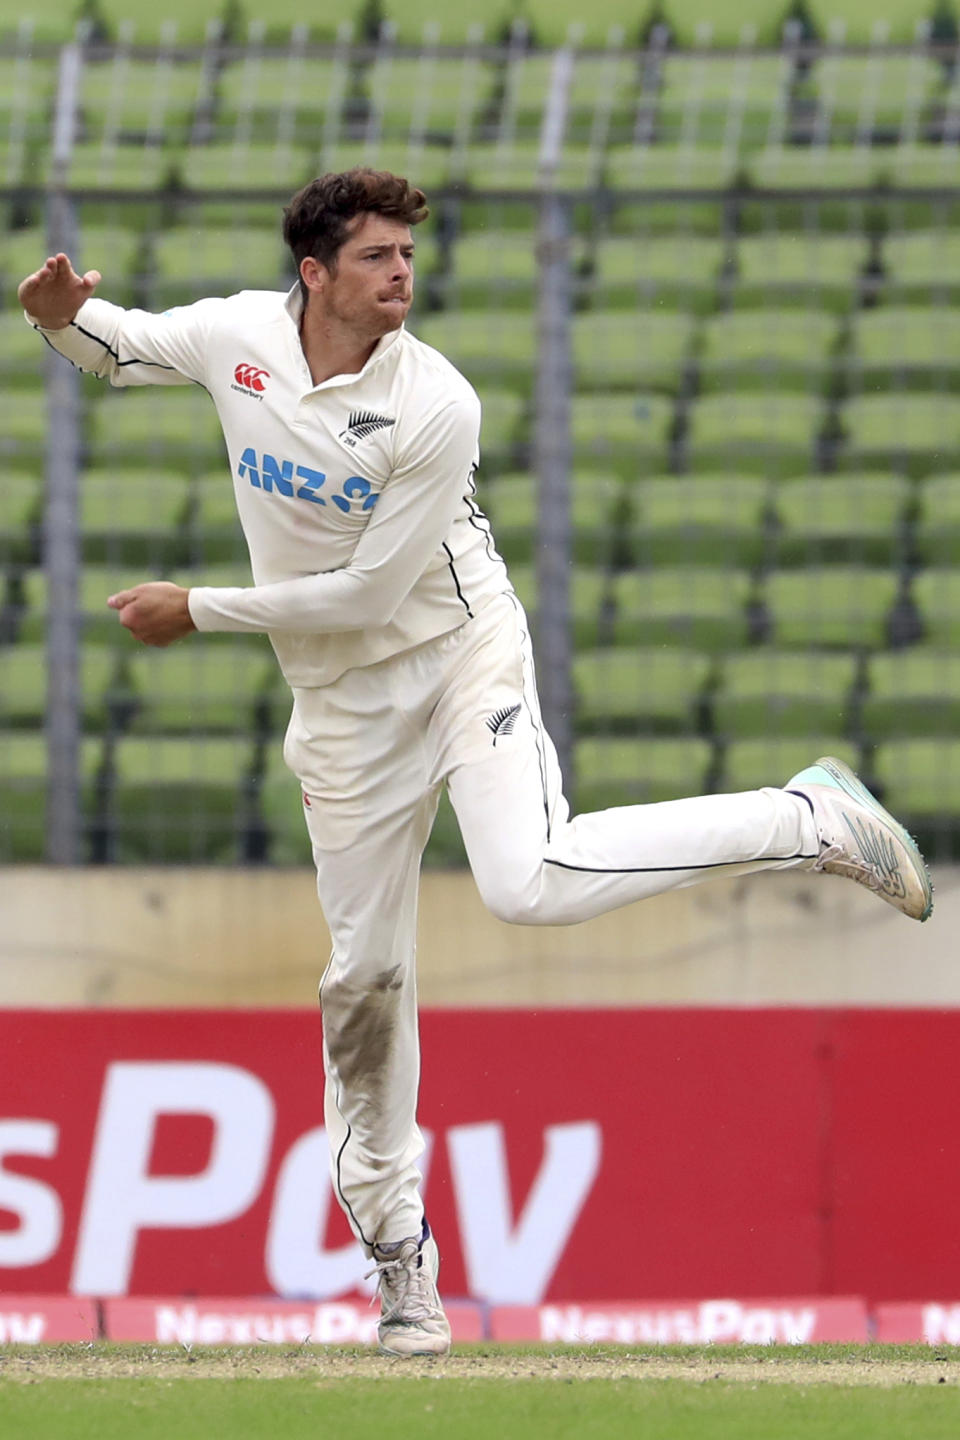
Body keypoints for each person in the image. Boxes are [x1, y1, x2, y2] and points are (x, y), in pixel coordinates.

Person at [19, 167, 932, 1357]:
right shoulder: (241, 336)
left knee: (526, 881)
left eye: (409, 254)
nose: (403, 274)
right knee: (362, 987)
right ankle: (401, 1266)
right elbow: (119, 348)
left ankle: (805, 817)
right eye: (378, 257)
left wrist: (200, 609)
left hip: (458, 658)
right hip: (342, 716)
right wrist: (53, 316)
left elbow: (366, 594)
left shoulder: (435, 401)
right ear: (315, 274)